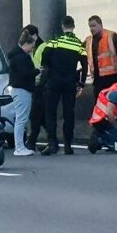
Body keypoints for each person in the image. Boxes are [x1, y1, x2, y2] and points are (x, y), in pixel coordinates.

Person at [39, 16, 88, 156]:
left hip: (54, 81)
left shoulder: (55, 41)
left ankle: (52, 143)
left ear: (62, 26)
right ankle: (68, 145)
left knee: (51, 112)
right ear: (73, 26)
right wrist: (82, 83)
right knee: (69, 113)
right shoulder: (79, 44)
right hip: (70, 82)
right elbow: (85, 65)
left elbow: (44, 57)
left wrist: (49, 68)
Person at [6, 31, 39, 157]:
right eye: (31, 46)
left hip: (18, 89)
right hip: (22, 89)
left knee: (21, 118)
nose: (32, 49)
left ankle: (20, 146)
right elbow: (25, 73)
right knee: (21, 119)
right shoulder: (22, 57)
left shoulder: (15, 56)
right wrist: (36, 71)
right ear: (25, 44)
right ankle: (19, 147)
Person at [87, 72, 117, 154]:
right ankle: (100, 139)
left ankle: (105, 138)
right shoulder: (116, 94)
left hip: (104, 120)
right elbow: (109, 113)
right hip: (102, 121)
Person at [85, 15, 117, 95]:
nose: (91, 29)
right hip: (97, 79)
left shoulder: (112, 36)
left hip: (112, 77)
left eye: (94, 26)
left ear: (101, 25)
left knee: (112, 100)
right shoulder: (89, 40)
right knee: (99, 101)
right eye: (90, 26)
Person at [20, 24, 46, 149]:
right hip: (33, 84)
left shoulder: (43, 47)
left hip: (40, 85)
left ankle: (32, 141)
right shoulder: (31, 47)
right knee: (40, 115)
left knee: (36, 115)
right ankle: (51, 140)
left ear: (34, 35)